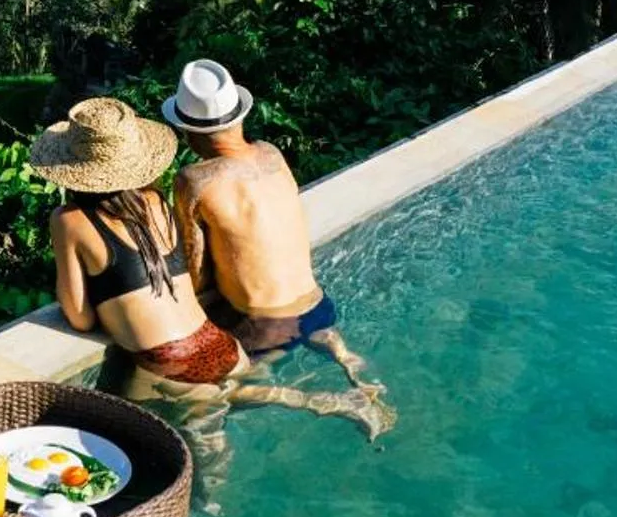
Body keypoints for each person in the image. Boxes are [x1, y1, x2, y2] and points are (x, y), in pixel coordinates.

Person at [28, 97, 377, 429]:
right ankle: (318, 394)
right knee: (218, 410)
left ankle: (318, 401)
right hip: (220, 343)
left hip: (172, 360)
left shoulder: (68, 220)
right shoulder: (157, 201)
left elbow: (80, 317)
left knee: (127, 421)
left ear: (72, 170)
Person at [168, 59, 391, 430]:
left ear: (190, 133)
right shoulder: (271, 152)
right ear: (239, 117)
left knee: (208, 394)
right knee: (312, 333)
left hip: (267, 325)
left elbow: (196, 268)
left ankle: (324, 401)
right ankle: (346, 358)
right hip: (318, 307)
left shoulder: (193, 180)